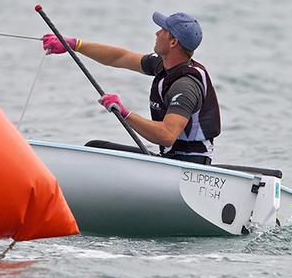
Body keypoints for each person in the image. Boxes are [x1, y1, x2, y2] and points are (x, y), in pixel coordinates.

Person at [42, 11, 221, 165]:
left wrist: (125, 113)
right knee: (96, 148)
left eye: (163, 31)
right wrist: (75, 45)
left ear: (173, 42)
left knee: (95, 150)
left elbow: (167, 135)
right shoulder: (163, 65)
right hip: (171, 161)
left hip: (186, 169)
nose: (157, 33)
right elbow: (120, 57)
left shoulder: (185, 85)